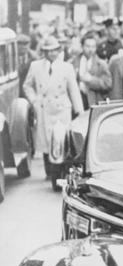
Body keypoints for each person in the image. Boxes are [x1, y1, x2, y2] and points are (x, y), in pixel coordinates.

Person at [22, 36, 84, 179]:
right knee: (46, 142)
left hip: (62, 109)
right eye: (48, 51)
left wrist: (79, 110)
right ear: (44, 52)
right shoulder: (35, 66)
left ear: (58, 51)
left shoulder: (66, 67)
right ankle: (49, 172)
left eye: (54, 51)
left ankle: (60, 172)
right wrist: (34, 101)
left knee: (61, 140)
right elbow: (27, 85)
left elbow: (73, 90)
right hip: (43, 110)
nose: (51, 54)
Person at [71, 32, 112, 107]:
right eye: (87, 46)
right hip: (78, 103)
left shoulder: (101, 64)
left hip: (94, 102)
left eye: (93, 47)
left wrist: (91, 80)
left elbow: (108, 84)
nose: (90, 49)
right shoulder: (73, 63)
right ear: (82, 46)